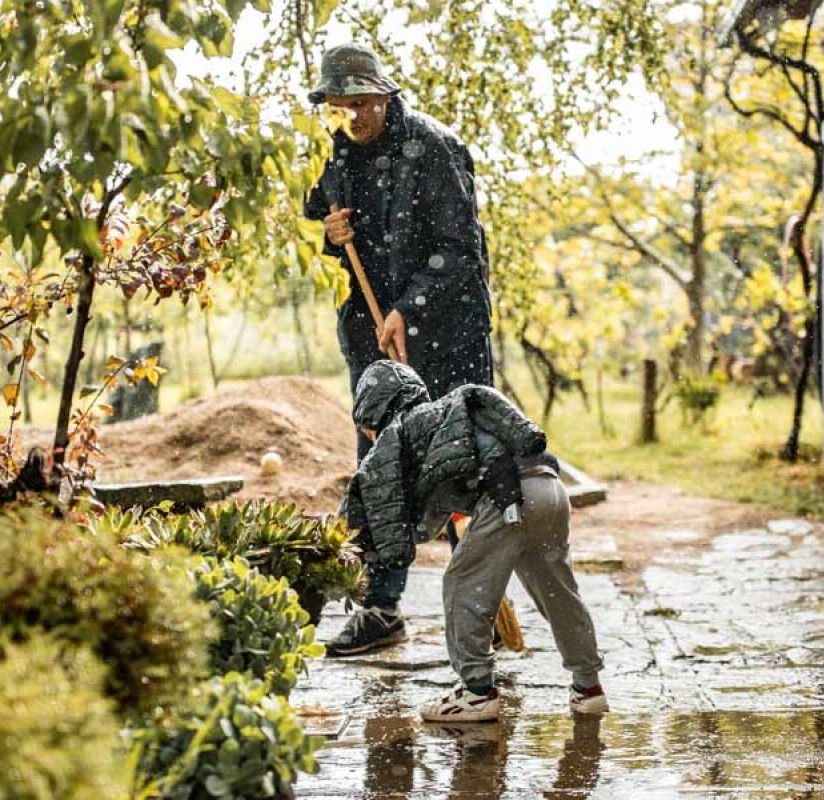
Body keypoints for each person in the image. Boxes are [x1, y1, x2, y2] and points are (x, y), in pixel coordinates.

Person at [302, 43, 494, 655]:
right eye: (342, 106)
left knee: (460, 463)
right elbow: (324, 210)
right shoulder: (338, 151)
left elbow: (461, 251)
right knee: (381, 467)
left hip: (446, 337)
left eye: (363, 103)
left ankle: (482, 610)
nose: (353, 116)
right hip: (374, 339)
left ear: (386, 96)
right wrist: (333, 234)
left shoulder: (433, 148)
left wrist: (406, 309)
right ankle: (381, 609)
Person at [343, 360, 608, 722]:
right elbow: (439, 506)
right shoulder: (447, 419)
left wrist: (380, 545)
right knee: (557, 591)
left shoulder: (398, 433)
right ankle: (588, 686)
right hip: (549, 488)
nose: (371, 437)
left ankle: (477, 692)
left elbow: (379, 493)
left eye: (368, 428)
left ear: (376, 412)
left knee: (461, 583)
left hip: (507, 500)